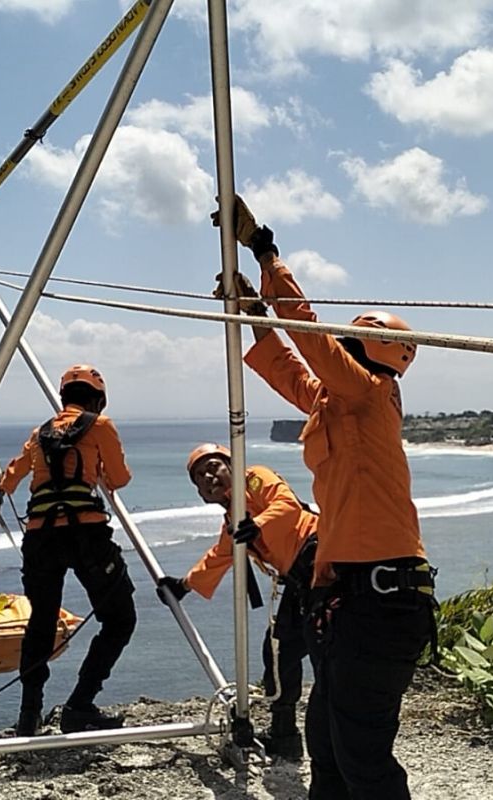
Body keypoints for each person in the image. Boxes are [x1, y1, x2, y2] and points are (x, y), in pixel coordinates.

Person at [213, 197, 436, 799]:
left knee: (362, 758)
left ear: (366, 351)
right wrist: (254, 314)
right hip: (351, 599)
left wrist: (264, 249)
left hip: (381, 602)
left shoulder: (371, 393)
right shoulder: (337, 404)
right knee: (330, 750)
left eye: (345, 342)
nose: (334, 345)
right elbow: (290, 370)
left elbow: (309, 339)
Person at [0, 364, 135, 736]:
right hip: (86, 533)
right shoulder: (100, 426)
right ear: (97, 401)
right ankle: (80, 704)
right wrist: (98, 470)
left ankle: (29, 716)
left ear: (63, 399)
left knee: (40, 622)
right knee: (120, 618)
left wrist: (2, 478)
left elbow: (9, 480)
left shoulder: (39, 434)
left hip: (40, 537)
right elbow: (119, 479)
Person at [158, 444, 318, 759]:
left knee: (298, 649)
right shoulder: (233, 520)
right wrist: (184, 586)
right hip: (303, 579)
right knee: (279, 651)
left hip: (322, 559)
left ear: (233, 465)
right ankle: (285, 734)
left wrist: (257, 524)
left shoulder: (255, 478)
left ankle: (299, 734)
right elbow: (221, 555)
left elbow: (286, 505)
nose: (208, 476)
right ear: (202, 495)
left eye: (213, 467)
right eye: (199, 477)